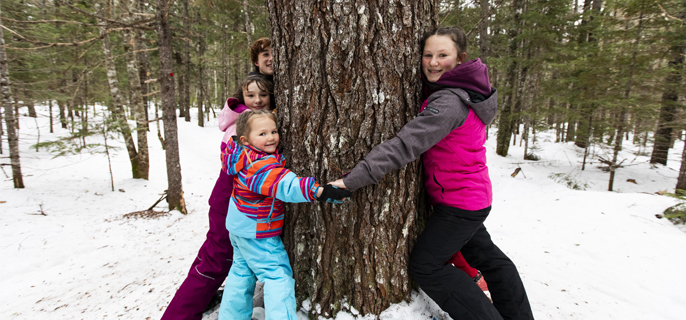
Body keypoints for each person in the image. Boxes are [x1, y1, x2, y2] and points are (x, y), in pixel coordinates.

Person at [330, 26, 533, 319]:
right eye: (428, 55)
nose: (434, 62)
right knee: (489, 259)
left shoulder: (449, 101)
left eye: (443, 55)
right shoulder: (467, 93)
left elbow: (404, 146)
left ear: (460, 59)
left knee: (426, 266)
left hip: (460, 204)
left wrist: (350, 181)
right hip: (472, 197)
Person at [218, 110, 351, 320]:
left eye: (274, 131)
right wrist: (319, 191)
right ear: (245, 139)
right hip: (257, 231)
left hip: (239, 227)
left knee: (241, 274)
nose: (270, 137)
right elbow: (285, 185)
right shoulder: (260, 165)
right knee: (277, 276)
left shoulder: (241, 156)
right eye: (262, 134)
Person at [160, 75, 274, 320]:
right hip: (229, 204)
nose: (257, 100)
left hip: (241, 206)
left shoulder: (258, 121)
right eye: (250, 95)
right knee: (214, 262)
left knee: (214, 261)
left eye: (263, 95)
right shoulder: (242, 127)